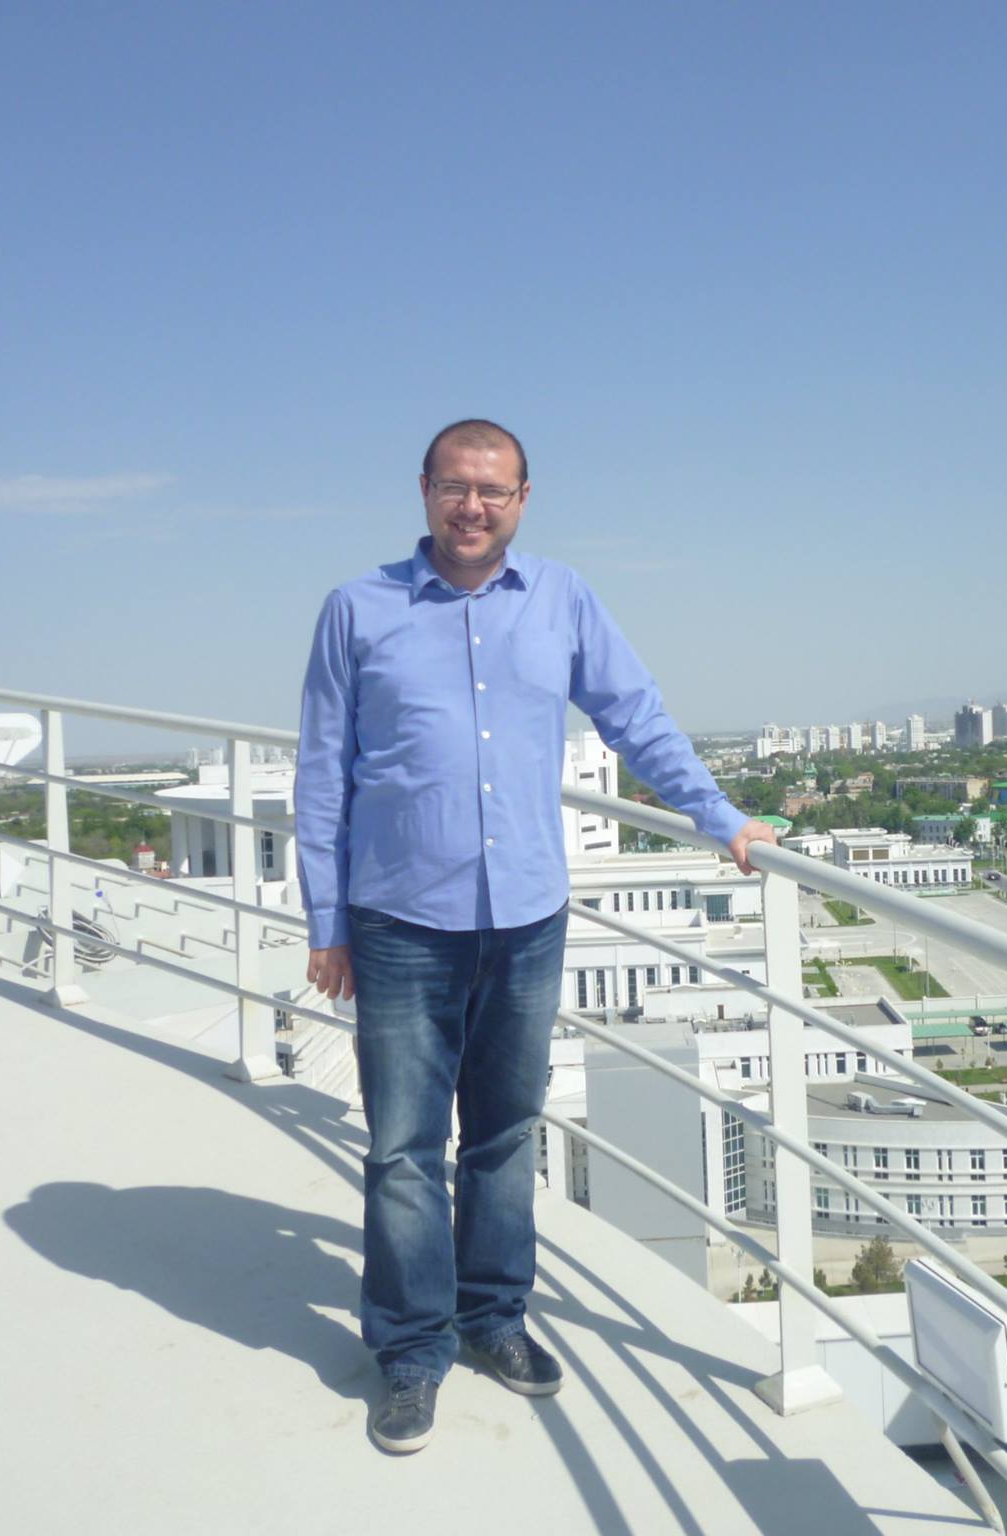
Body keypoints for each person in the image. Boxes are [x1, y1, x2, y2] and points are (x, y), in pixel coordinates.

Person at [293, 418, 776, 1455]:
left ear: (522, 499)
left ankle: (493, 1317)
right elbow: (322, 772)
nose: (472, 506)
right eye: (455, 486)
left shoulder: (563, 599)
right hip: (397, 921)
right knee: (401, 1148)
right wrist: (325, 920)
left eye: (493, 490)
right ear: (424, 490)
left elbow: (633, 716)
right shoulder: (357, 609)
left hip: (524, 918)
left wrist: (721, 818)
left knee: (505, 1135)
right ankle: (410, 1349)